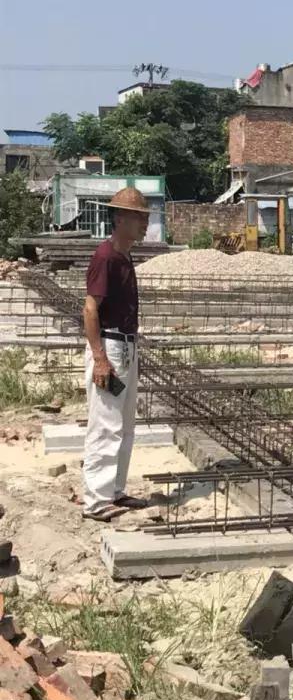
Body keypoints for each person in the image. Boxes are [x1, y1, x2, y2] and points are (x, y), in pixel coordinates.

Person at [82, 186, 151, 522]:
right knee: (106, 424)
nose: (145, 223)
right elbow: (90, 308)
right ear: (120, 218)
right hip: (110, 346)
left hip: (126, 346)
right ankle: (96, 499)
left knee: (125, 424)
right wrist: (99, 358)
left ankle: (115, 490)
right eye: (140, 217)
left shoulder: (125, 257)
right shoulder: (105, 257)